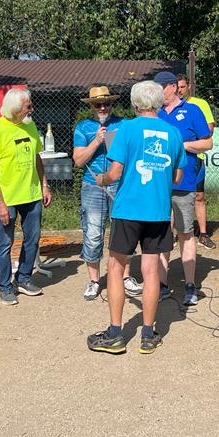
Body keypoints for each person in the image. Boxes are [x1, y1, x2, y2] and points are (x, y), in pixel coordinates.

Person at [86, 80, 185, 354]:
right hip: (158, 211)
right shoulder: (173, 133)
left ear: (134, 104)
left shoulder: (125, 130)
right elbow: (178, 176)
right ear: (159, 102)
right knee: (151, 271)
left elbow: (115, 173)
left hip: (128, 210)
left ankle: (115, 333)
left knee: (116, 267)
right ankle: (148, 333)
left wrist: (102, 179)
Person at [0, 87, 51, 306]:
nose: (32, 109)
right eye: (28, 106)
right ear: (15, 109)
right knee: (5, 243)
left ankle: (24, 279)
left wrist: (44, 185)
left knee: (33, 238)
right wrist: (0, 203)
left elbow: (37, 157)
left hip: (31, 195)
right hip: (7, 199)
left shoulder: (30, 125)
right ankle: (5, 287)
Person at [72, 85, 142, 301]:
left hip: (120, 184)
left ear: (112, 104)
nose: (103, 108)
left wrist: (116, 143)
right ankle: (94, 280)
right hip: (92, 185)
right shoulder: (83, 127)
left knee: (124, 230)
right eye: (98, 104)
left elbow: (132, 153)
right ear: (91, 106)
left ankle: (125, 276)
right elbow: (78, 161)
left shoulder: (124, 124)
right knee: (93, 233)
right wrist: (96, 141)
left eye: (107, 103)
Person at [155, 71, 213, 306]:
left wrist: (182, 145)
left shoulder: (192, 111)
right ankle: (161, 284)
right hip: (158, 184)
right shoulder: (155, 113)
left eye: (161, 87)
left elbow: (207, 142)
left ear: (172, 87)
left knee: (185, 232)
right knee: (161, 233)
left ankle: (190, 285)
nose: (158, 92)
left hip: (184, 182)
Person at [177, 73, 217, 249]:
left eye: (182, 87)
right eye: (177, 87)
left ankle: (203, 233)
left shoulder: (199, 104)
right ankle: (171, 234)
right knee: (172, 196)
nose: (179, 90)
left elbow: (209, 130)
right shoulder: (166, 107)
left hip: (195, 158)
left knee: (199, 196)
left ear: (189, 87)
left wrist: (188, 138)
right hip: (175, 159)